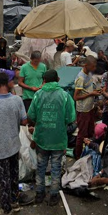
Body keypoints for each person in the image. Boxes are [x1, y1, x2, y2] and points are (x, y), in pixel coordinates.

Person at [0, 71, 34, 215]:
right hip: (14, 144)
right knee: (13, 176)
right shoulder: (17, 100)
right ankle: (15, 202)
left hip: (1, 148)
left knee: (3, 179)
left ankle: (6, 211)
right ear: (7, 84)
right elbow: (24, 121)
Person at [29, 69, 76, 205]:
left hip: (41, 138)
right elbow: (71, 117)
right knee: (55, 168)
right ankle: (54, 195)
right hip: (58, 139)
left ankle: (39, 193)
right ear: (58, 79)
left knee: (41, 166)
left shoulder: (38, 94)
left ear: (44, 81)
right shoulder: (65, 95)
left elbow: (31, 116)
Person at [73, 57, 105, 159]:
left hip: (90, 107)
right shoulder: (81, 78)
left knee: (91, 131)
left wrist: (96, 91)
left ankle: (89, 153)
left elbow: (89, 89)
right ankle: (78, 157)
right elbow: (76, 97)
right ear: (86, 65)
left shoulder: (89, 74)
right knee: (82, 134)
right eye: (93, 66)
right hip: (83, 110)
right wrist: (91, 94)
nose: (94, 68)